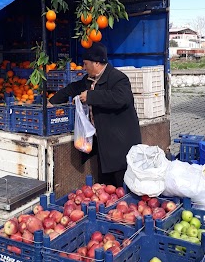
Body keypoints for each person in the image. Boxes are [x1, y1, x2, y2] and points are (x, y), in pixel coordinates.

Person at [48, 43, 141, 186]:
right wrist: (52, 102)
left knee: (121, 183)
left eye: (86, 64)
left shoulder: (118, 78)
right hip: (103, 142)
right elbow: (72, 89)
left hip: (119, 142)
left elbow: (122, 98)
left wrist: (91, 97)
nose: (84, 67)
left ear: (97, 63)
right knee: (105, 184)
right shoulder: (89, 80)